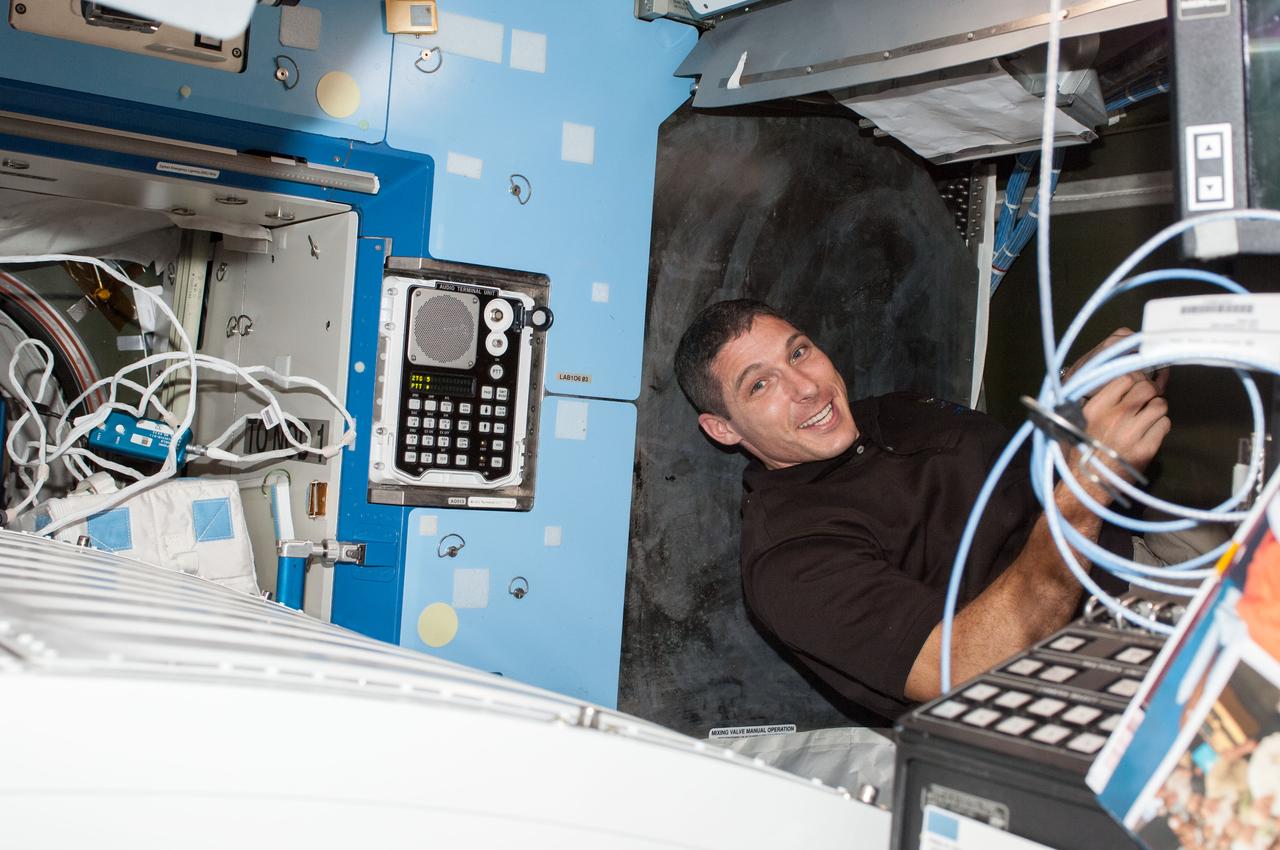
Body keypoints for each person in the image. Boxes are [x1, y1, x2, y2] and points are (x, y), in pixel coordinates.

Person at [674, 299, 1170, 720]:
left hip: (1140, 555)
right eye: (760, 385)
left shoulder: (893, 410)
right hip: (1089, 677)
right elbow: (968, 669)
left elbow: (1032, 472)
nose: (806, 387)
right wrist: (1089, 485)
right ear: (724, 429)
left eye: (799, 352)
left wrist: (1084, 398)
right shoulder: (790, 561)